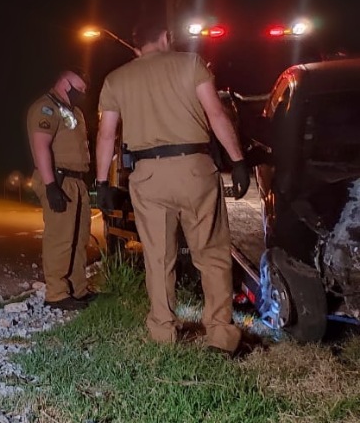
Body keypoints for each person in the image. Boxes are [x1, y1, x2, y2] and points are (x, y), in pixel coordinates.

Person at [94, 21, 250, 355]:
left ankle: (163, 332)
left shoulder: (116, 79)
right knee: (211, 254)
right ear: (165, 37)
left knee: (158, 256)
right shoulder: (191, 64)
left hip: (148, 176)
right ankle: (220, 336)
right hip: (195, 169)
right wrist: (238, 161)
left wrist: (102, 182)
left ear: (136, 46)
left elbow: (106, 135)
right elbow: (216, 115)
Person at [26, 70, 94, 310]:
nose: (82, 94)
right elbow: (41, 145)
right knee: (60, 238)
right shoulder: (47, 108)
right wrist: (51, 185)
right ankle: (56, 293)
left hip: (76, 180)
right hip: (58, 178)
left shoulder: (73, 112)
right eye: (79, 89)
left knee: (79, 237)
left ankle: (77, 289)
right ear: (64, 83)